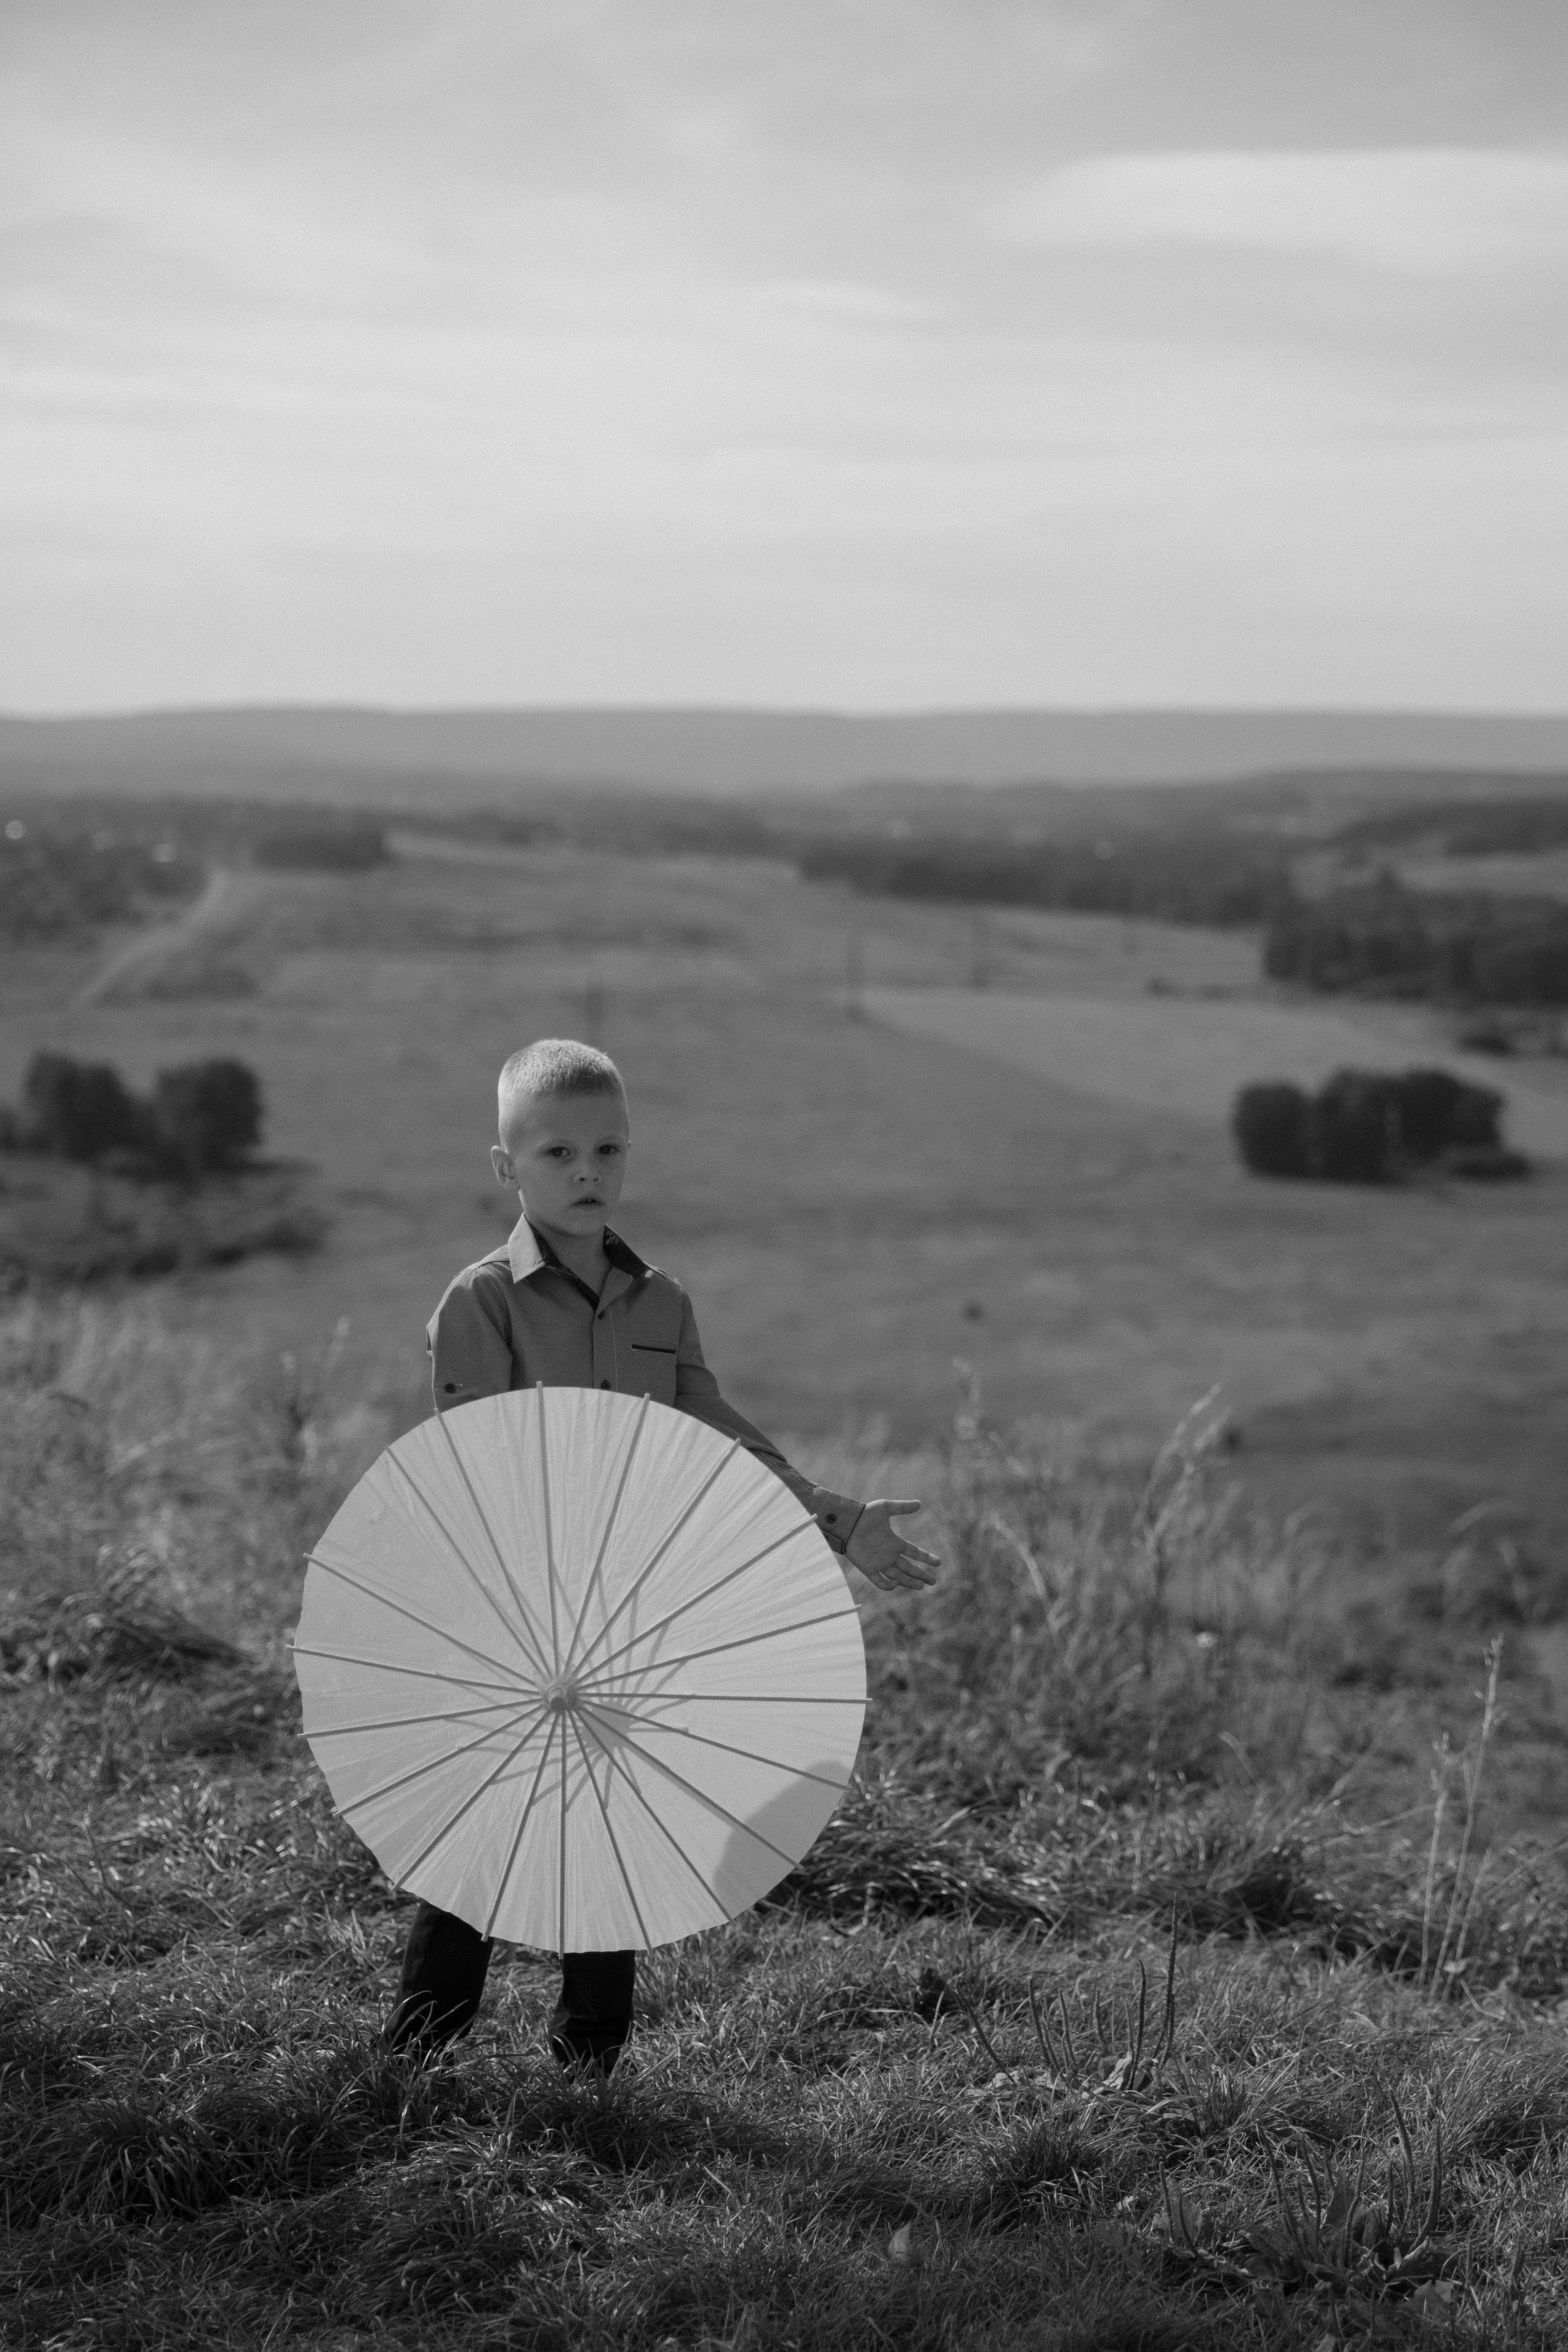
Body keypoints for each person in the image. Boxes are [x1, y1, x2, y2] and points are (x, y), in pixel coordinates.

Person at [385, 1036, 940, 2071]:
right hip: (515, 1610)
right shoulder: (483, 1302)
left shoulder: (661, 1303)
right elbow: (465, 1464)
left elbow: (716, 1430)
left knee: (607, 1824)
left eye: (609, 1149)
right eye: (557, 1154)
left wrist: (834, 1518)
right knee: (485, 1825)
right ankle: (419, 2053)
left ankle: (590, 2062)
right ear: (506, 1168)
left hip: (629, 1610)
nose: (587, 1171)